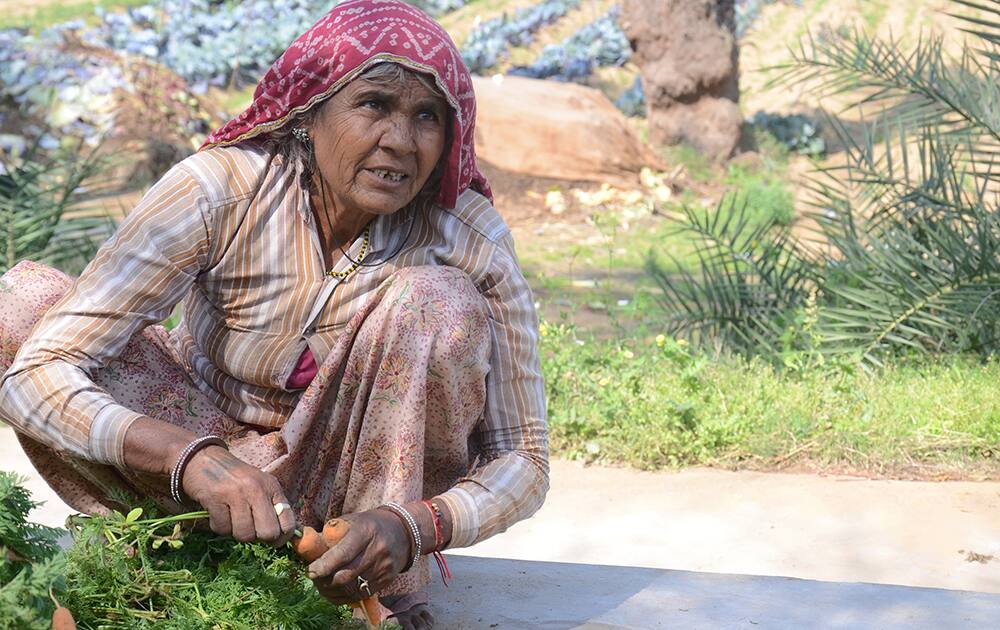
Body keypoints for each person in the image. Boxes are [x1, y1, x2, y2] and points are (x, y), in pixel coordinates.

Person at [0, 1, 549, 627]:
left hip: (354, 510)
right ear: (307, 114)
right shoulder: (222, 191)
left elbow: (523, 458)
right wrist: (192, 458)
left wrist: (413, 524)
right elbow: (34, 374)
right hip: (204, 474)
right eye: (373, 104)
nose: (399, 139)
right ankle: (174, 547)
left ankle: (376, 589)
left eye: (427, 116)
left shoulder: (465, 236)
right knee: (22, 306)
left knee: (433, 301)